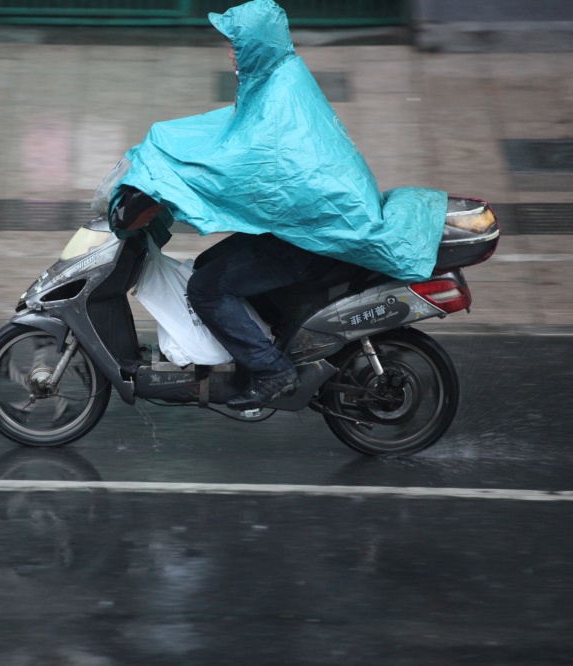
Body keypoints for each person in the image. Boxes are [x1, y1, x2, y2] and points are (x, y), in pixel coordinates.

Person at [111, 0, 446, 409]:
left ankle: (272, 371)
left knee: (207, 289)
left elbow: (243, 158)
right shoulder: (277, 77)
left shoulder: (280, 96)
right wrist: (164, 148)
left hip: (314, 236)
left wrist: (177, 179)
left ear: (257, 45)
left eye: (236, 44)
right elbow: (228, 132)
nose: (230, 52)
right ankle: (260, 348)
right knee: (205, 266)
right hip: (307, 226)